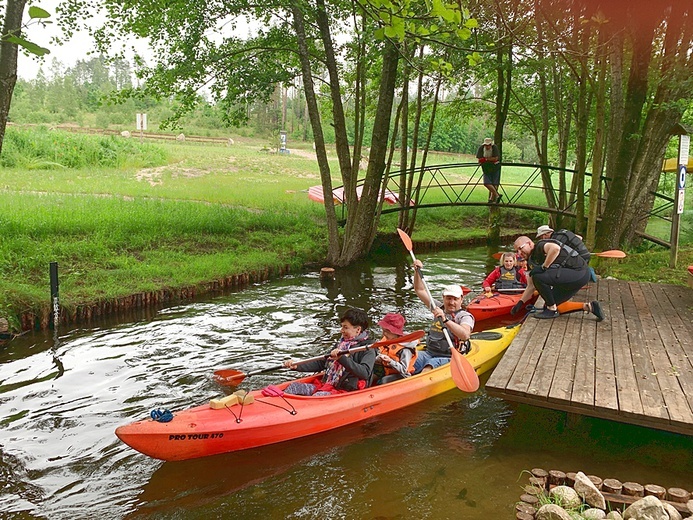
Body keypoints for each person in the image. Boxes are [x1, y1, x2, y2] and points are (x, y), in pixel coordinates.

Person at [283, 308, 376, 395]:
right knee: (293, 387)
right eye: (342, 327)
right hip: (328, 384)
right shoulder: (341, 344)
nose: (341, 330)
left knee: (318, 396)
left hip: (346, 390)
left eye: (345, 327)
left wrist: (341, 358)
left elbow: (365, 373)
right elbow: (321, 363)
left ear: (358, 329)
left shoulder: (368, 349)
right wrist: (297, 365)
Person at [510, 236, 603, 321]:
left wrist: (544, 267)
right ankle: (590, 307)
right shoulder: (531, 261)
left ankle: (552, 310)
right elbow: (531, 286)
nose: (519, 253)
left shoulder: (540, 246)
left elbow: (555, 248)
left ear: (529, 244)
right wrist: (520, 303)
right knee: (549, 304)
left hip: (580, 273)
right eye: (516, 251)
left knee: (538, 277)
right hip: (569, 278)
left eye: (520, 248)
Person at [411, 259, 475, 373]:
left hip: (450, 357)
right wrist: (417, 271)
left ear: (461, 299)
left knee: (429, 367)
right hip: (428, 352)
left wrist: (445, 320)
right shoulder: (437, 308)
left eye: (455, 299)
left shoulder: (465, 316)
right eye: (448, 298)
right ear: (443, 298)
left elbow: (465, 335)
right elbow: (419, 290)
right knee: (408, 360)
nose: (451, 302)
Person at [372, 313, 418, 385]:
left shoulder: (405, 349)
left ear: (395, 332)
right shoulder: (387, 339)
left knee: (384, 381)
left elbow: (403, 369)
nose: (384, 334)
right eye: (383, 330)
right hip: (385, 369)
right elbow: (380, 351)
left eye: (387, 332)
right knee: (368, 373)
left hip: (402, 375)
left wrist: (390, 361)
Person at [476, 137, 502, 203]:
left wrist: (486, 159)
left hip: (495, 167)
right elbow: (479, 158)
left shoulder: (494, 148)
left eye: (488, 145)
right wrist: (485, 160)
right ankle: (497, 195)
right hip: (486, 168)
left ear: (491, 145)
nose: (487, 147)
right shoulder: (481, 148)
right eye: (486, 145)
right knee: (486, 183)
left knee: (495, 183)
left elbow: (496, 158)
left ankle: (491, 199)